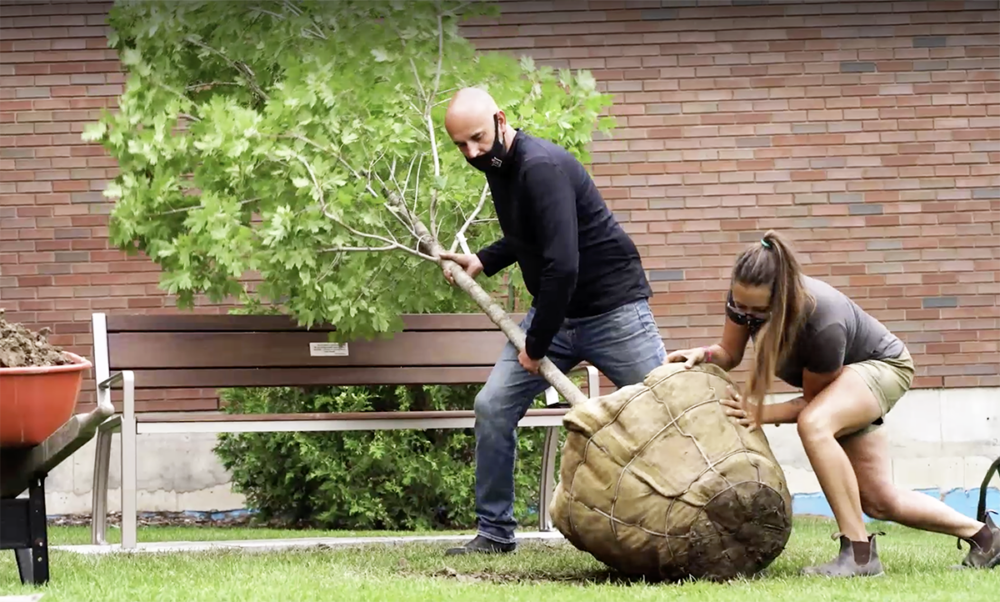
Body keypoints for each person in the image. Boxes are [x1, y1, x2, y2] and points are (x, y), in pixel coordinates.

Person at [666, 230, 999, 577]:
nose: (747, 318)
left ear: (782, 298)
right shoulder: (745, 300)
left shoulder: (821, 320)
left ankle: (858, 554)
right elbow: (729, 353)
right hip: (846, 385)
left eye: (758, 313)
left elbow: (811, 404)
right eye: (741, 309)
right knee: (878, 499)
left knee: (815, 424)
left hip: (883, 367)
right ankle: (986, 538)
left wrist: (759, 413)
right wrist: (704, 354)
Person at [436, 87, 667, 556]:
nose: (472, 153)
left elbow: (563, 265)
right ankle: (495, 533)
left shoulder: (540, 166)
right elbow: (530, 235)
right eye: (461, 145)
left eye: (477, 139)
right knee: (492, 407)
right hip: (556, 314)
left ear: (501, 120)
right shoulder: (497, 165)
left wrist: (536, 344)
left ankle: (695, 515)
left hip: (614, 310)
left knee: (666, 412)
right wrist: (483, 258)